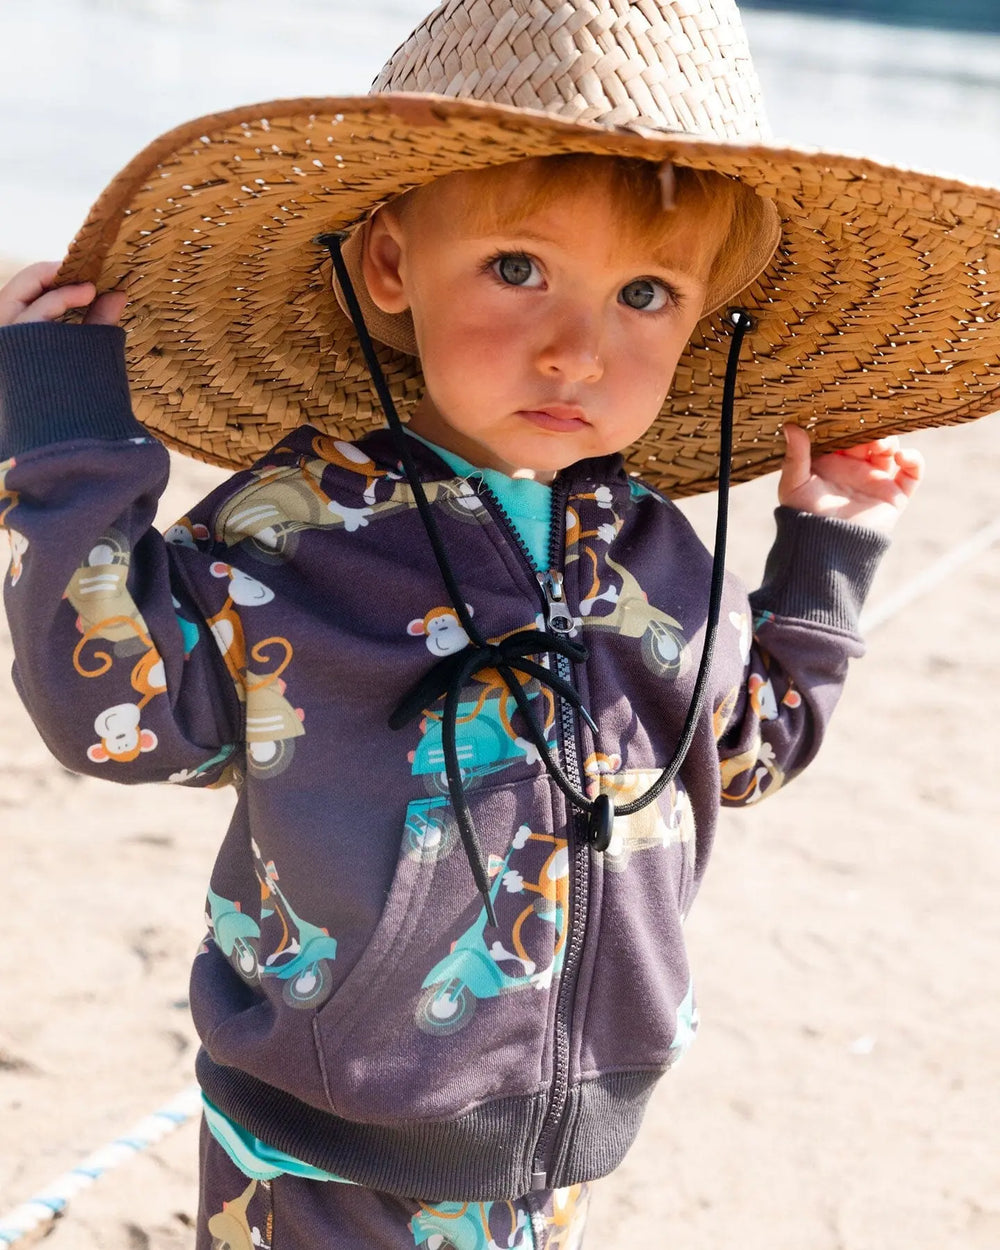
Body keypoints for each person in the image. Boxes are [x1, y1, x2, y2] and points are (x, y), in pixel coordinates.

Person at [3, 0, 998, 1245]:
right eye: (517, 269)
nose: (577, 350)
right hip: (322, 1140)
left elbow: (746, 747)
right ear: (390, 267)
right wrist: (69, 445)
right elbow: (115, 712)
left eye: (645, 292)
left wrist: (828, 547)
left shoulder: (657, 554)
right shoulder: (295, 532)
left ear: (703, 322)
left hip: (567, 1130)